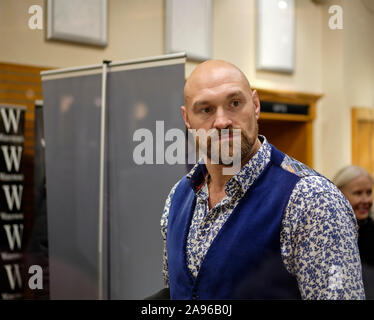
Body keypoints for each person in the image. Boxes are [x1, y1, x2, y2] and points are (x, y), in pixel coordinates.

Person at [160, 60, 365, 299]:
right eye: (205, 109)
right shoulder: (178, 196)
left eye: (234, 103)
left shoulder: (313, 201)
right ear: (187, 120)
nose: (222, 121)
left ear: (255, 105)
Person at [333, 165, 374, 299]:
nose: (366, 200)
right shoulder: (329, 235)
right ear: (339, 194)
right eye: (358, 193)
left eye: (368, 193)